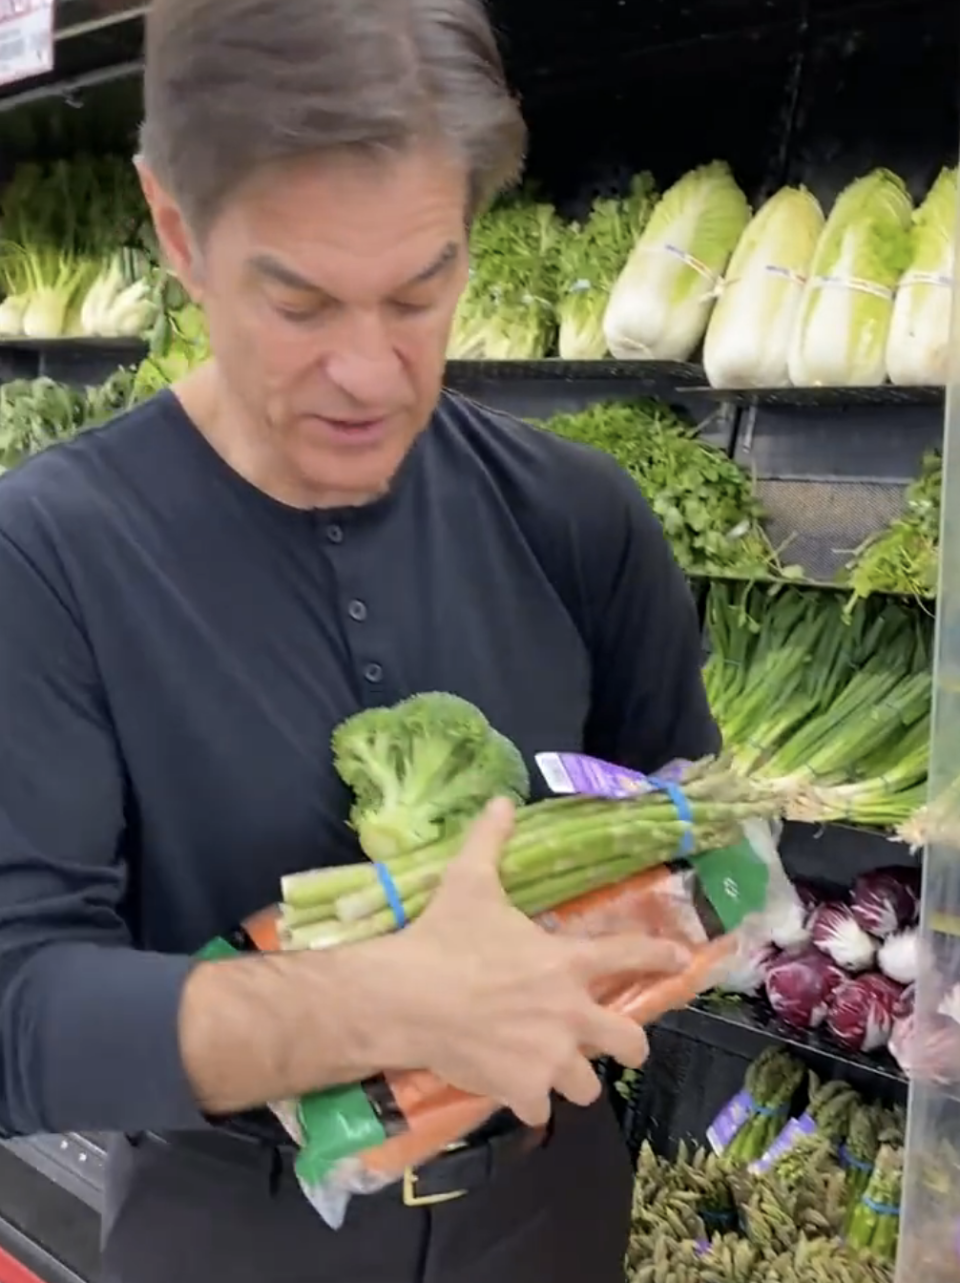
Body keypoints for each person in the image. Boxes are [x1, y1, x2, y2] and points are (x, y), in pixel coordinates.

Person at [0, 1, 720, 1280]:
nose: (372, 374)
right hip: (233, 1229)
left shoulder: (580, 520)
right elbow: (17, 1012)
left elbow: (689, 851)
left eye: (420, 289)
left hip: (550, 1209)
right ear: (179, 229)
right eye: (302, 300)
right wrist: (387, 1001)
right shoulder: (46, 552)